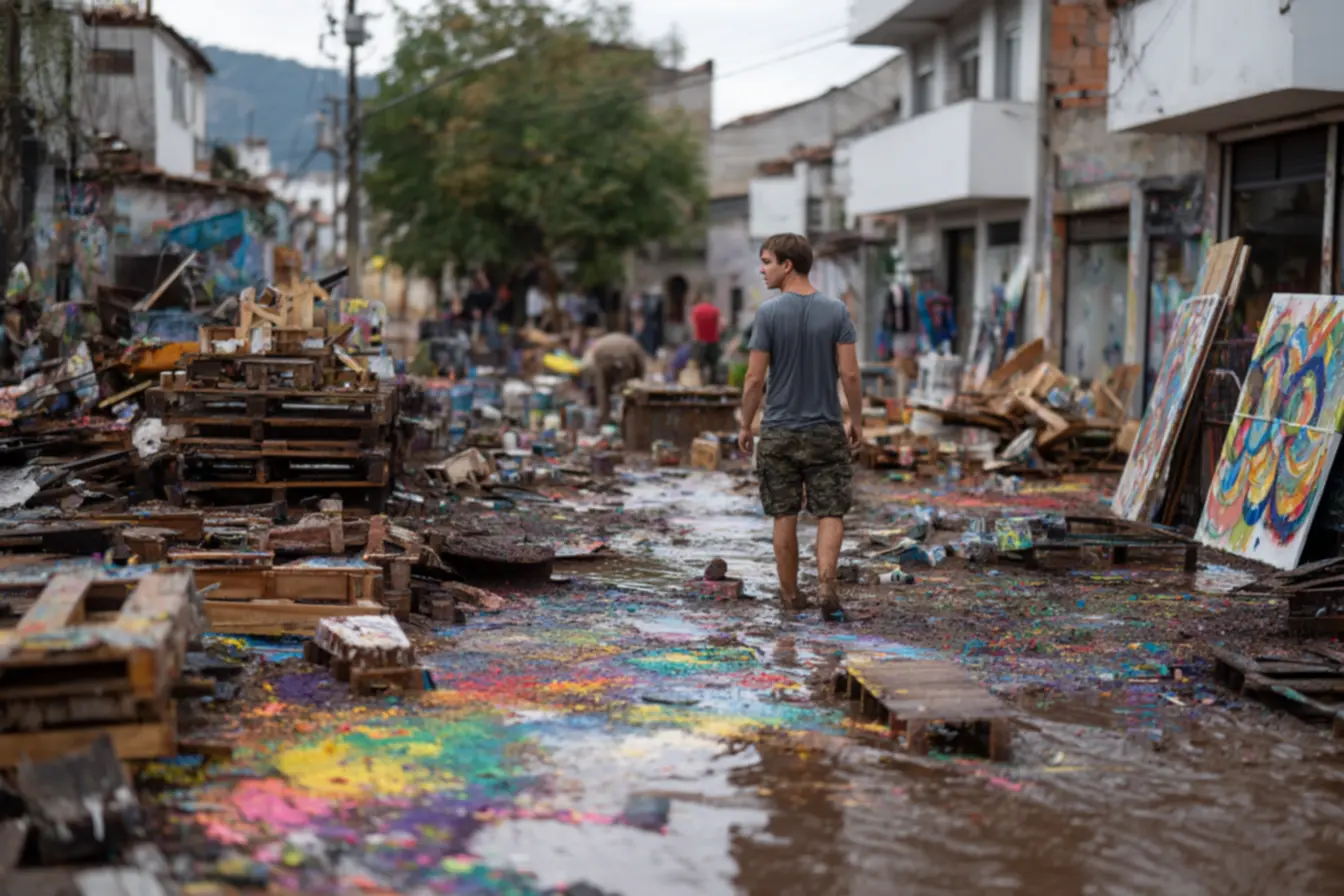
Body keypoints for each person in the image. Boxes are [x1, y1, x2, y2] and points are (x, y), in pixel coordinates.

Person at [738, 233, 862, 622]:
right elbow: (850, 374)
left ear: (787, 265)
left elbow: (754, 380)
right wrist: (856, 420)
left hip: (778, 431)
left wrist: (746, 423)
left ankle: (791, 597)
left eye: (767, 261)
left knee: (784, 514)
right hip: (826, 428)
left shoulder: (768, 314)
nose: (762, 269)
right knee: (830, 512)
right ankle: (827, 584)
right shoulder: (837, 311)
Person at [582, 331, 647, 423]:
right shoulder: (598, 349)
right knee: (632, 390)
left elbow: (602, 389)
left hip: (618, 355)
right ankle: (636, 417)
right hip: (632, 349)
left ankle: (615, 420)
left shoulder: (593, 359)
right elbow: (641, 370)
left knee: (622, 390)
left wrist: (603, 412)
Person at [690, 294, 722, 385]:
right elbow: (719, 327)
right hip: (713, 341)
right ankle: (713, 384)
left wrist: (694, 340)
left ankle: (702, 384)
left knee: (700, 366)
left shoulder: (696, 310)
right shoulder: (715, 310)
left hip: (699, 341)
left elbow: (694, 327)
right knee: (713, 366)